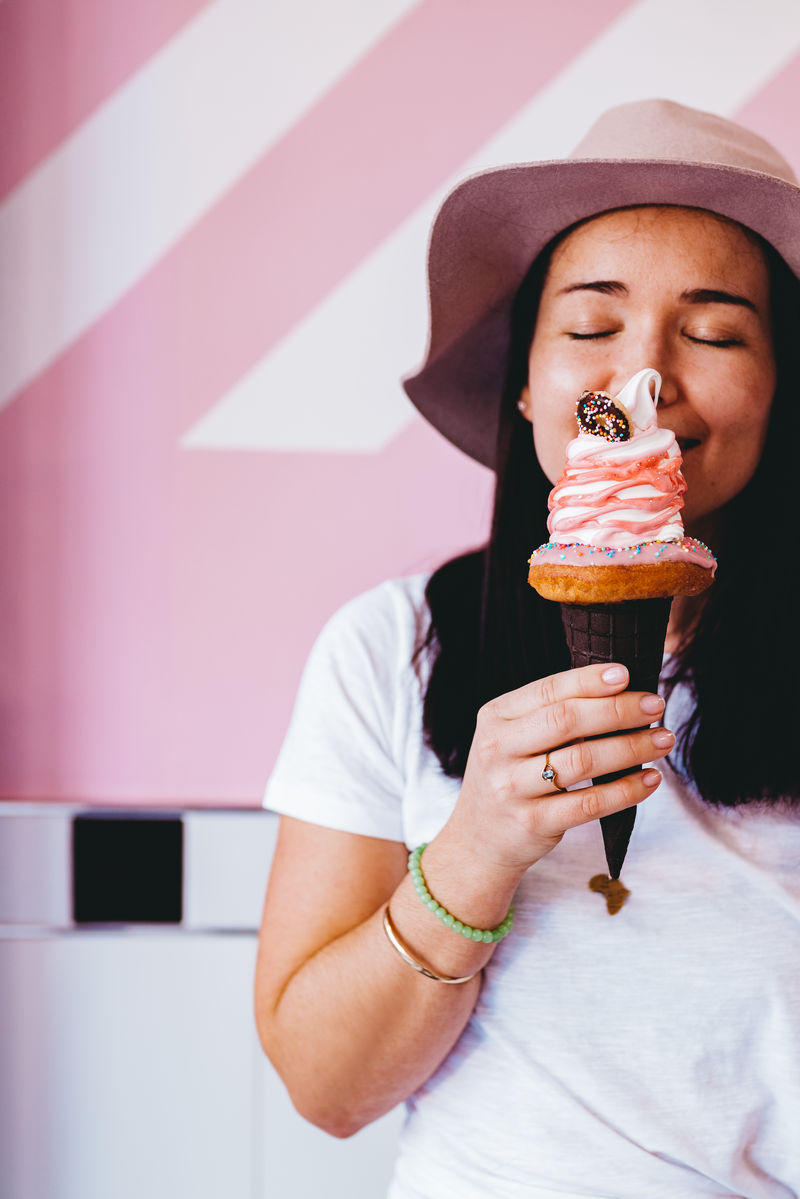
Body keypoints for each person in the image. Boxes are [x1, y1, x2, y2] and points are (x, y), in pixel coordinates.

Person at [254, 99, 800, 1197]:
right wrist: (474, 848)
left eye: (713, 330)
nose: (638, 379)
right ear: (522, 380)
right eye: (590, 327)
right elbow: (328, 1088)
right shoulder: (391, 645)